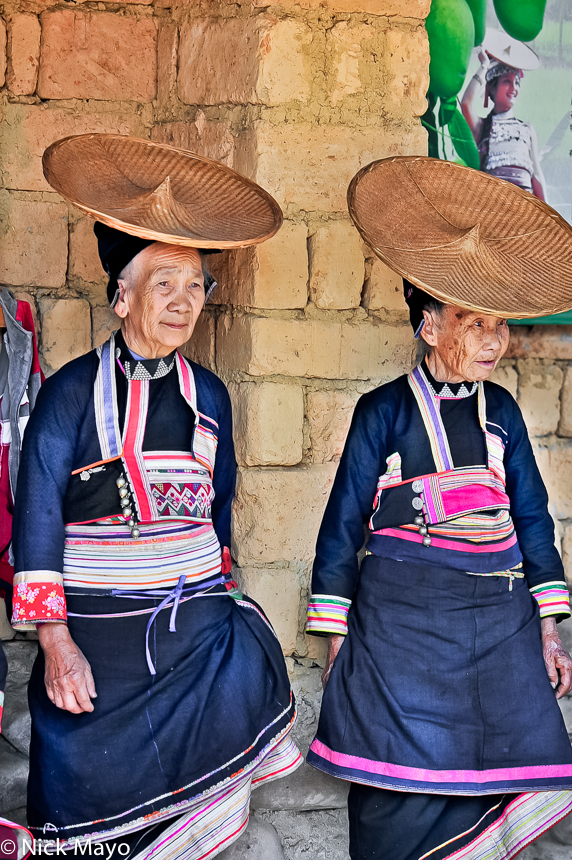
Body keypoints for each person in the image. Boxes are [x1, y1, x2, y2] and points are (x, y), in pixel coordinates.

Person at [11, 134, 300, 859]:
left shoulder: (210, 398)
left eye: (196, 285)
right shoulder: (70, 396)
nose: (182, 302)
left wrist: (215, 589)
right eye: (164, 284)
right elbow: (38, 517)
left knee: (250, 650)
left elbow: (218, 507)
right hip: (99, 642)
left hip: (190, 636)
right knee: (83, 780)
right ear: (122, 296)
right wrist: (55, 643)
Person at [306, 155, 572, 860]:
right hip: (400, 632)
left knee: (513, 758)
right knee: (395, 787)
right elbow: (341, 528)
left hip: (492, 625)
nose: (494, 339)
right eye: (474, 322)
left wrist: (549, 630)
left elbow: (534, 523)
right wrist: (338, 641)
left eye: (499, 325)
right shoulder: (383, 413)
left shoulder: (502, 413)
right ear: (430, 328)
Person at [461, 50, 547, 199]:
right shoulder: (481, 127)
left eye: (517, 82)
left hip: (524, 213)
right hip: (493, 212)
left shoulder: (527, 130)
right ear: (493, 88)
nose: (513, 88)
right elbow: (466, 103)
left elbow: (537, 176)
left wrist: (550, 218)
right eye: (507, 81)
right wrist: (484, 66)